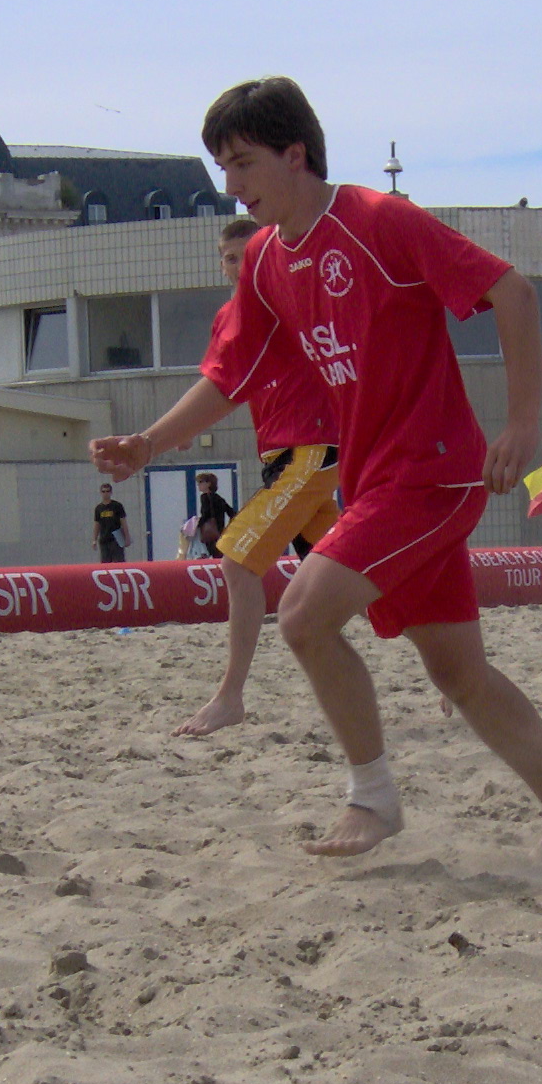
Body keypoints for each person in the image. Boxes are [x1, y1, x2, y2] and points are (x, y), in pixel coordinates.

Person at [93, 76, 542, 859]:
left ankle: (373, 799)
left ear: (296, 154)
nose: (231, 189)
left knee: (302, 615)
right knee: (459, 674)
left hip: (434, 472)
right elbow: (229, 376)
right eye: (222, 169)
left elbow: (514, 291)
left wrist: (523, 423)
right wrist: (148, 444)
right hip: (379, 478)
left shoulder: (376, 220)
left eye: (242, 164)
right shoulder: (265, 258)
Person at [173, 217, 340, 738]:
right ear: (220, 263)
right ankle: (450, 673)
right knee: (360, 575)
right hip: (291, 457)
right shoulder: (231, 315)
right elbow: (224, 384)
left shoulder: (294, 297)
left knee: (239, 561)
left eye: (249, 254)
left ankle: (230, 697)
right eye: (230, 257)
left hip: (313, 452)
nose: (239, 265)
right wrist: (179, 430)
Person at [192, 472, 235, 558]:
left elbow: (206, 513)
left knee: (206, 550)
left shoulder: (204, 497)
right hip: (219, 530)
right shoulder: (219, 498)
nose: (198, 485)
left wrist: (197, 524)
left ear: (208, 483)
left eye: (201, 482)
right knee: (218, 554)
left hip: (210, 531)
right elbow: (232, 513)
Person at [92, 483, 130, 562]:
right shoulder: (99, 508)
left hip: (116, 538)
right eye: (103, 491)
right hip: (104, 539)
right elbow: (97, 525)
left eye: (107, 491)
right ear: (101, 493)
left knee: (119, 562)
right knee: (105, 564)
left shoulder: (117, 506)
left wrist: (127, 537)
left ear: (111, 492)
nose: (105, 493)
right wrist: (94, 539)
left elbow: (123, 522)